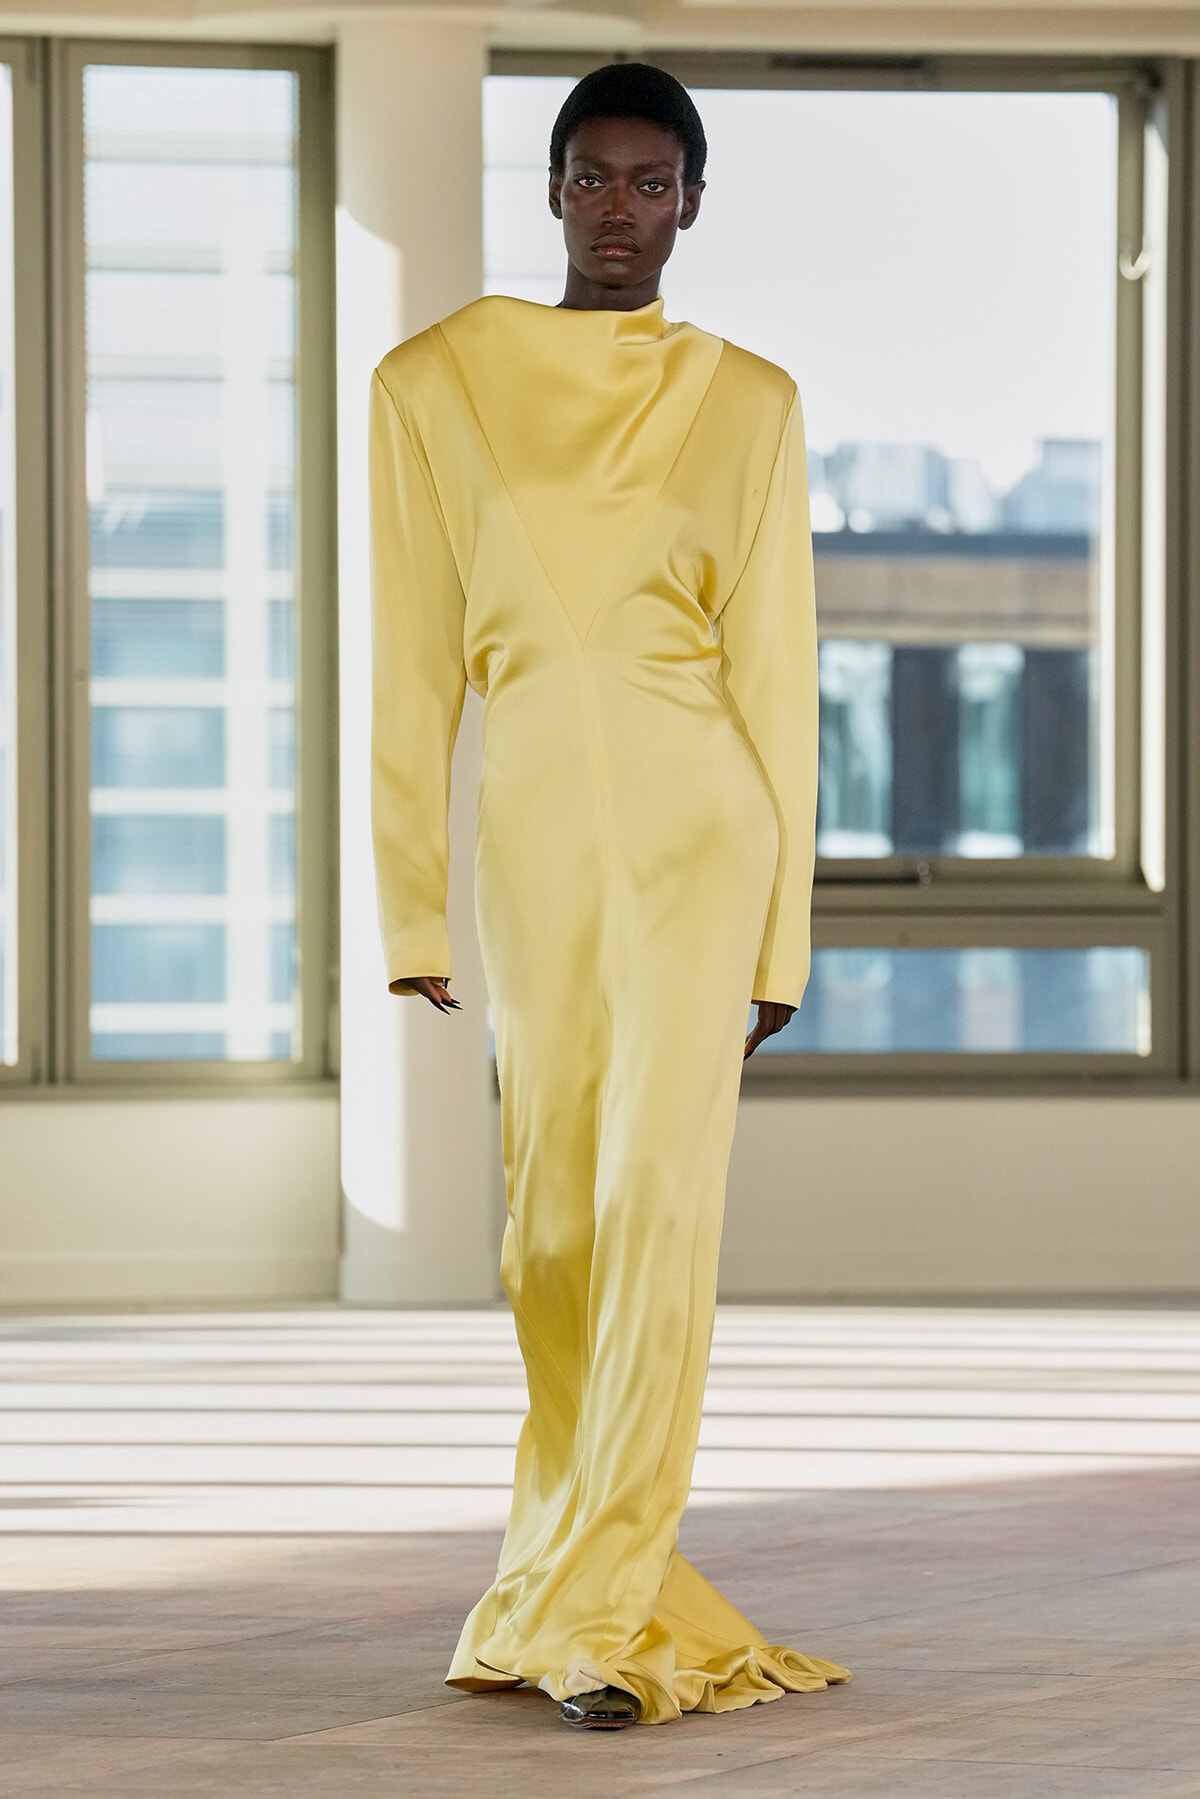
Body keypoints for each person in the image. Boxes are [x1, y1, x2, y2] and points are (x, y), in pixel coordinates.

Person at [369, 60, 850, 1730]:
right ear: (555, 192)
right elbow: (413, 660)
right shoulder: (435, 381)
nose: (621, 211)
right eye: (594, 178)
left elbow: (777, 674)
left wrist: (784, 934)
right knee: (552, 1235)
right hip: (537, 854)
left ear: (694, 203)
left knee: (656, 1219)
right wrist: (412, 905)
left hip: (701, 842)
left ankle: (600, 1619)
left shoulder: (752, 399)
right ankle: (566, 1573)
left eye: (654, 183)